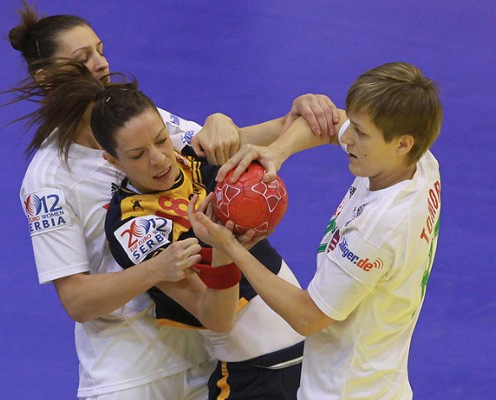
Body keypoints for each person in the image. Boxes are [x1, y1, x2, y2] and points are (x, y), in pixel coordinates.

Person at [6, 2, 338, 398]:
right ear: (45, 77)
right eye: (82, 59)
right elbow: (76, 300)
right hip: (129, 370)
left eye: (99, 49)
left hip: (202, 353)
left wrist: (289, 117)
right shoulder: (49, 179)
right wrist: (159, 268)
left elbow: (214, 148)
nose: (100, 64)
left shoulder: (140, 124)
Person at [188, 62, 443, 399]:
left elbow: (306, 316)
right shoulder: (421, 163)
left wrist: (231, 247)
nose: (347, 138)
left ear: (401, 143)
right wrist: (277, 152)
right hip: (379, 383)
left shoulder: (377, 230)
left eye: (361, 133)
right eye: (354, 124)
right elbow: (328, 124)